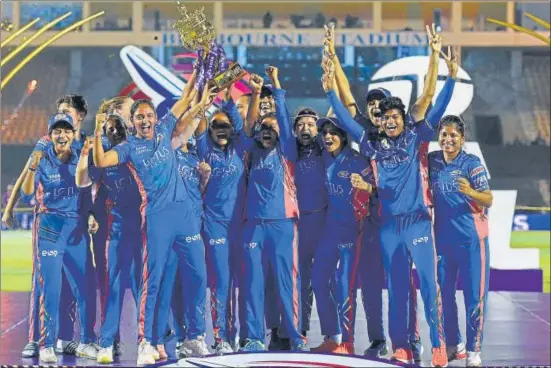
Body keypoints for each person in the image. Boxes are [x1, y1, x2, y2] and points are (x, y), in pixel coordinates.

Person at [324, 24, 456, 367]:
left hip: (417, 222)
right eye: (387, 118)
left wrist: (450, 75)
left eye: (396, 116)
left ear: (402, 119)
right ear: (381, 122)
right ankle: (400, 347)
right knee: (397, 290)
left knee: (428, 287)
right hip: (387, 226)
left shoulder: (417, 136)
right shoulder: (371, 143)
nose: (391, 121)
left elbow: (434, 104)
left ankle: (438, 346)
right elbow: (346, 117)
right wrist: (329, 94)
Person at [92, 85, 217, 365]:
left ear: (154, 118)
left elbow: (187, 103)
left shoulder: (165, 133)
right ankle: (146, 341)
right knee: (152, 282)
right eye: (139, 117)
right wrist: (96, 131)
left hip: (185, 218)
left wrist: (200, 75)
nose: (145, 120)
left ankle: (195, 337)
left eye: (149, 115)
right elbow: (100, 161)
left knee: (199, 276)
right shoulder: (127, 148)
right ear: (132, 122)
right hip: (156, 219)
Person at [7, 95, 91, 359]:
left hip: (76, 225)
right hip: (49, 222)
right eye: (59, 114)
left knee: (78, 285)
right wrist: (10, 207)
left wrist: (92, 215)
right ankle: (38, 339)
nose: (63, 119)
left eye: (67, 113)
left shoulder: (86, 146)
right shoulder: (44, 145)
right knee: (46, 284)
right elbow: (26, 178)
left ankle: (68, 338)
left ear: (80, 117)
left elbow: (93, 186)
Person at [239, 66, 306, 352]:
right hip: (253, 224)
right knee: (253, 283)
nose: (267, 131)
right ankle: (254, 337)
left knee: (286, 283)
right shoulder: (251, 148)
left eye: (273, 127)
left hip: (283, 224)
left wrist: (276, 83)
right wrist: (255, 93)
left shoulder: (287, 149)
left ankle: (295, 337)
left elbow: (282, 119)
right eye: (263, 128)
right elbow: (250, 125)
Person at [76, 113, 142, 364]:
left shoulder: (138, 150)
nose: (113, 132)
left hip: (145, 228)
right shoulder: (102, 159)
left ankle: (148, 338)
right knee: (115, 285)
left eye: (117, 128)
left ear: (127, 128)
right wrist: (93, 213)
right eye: (108, 129)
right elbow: (86, 183)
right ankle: (106, 342)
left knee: (143, 286)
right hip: (118, 229)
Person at [429, 115, 492, 368]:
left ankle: (475, 349)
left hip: (472, 241)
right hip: (443, 241)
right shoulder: (432, 160)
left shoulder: (471, 164)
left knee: (473, 298)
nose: (448, 139)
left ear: (462, 138)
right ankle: (456, 345)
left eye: (453, 135)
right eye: (444, 134)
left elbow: (488, 199)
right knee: (444, 295)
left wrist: (470, 192)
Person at [194, 86, 252, 354]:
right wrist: (207, 93)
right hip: (214, 225)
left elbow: (238, 122)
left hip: (241, 226)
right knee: (221, 282)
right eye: (215, 125)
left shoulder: (240, 147)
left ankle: (244, 336)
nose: (220, 129)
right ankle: (221, 338)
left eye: (225, 125)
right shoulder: (204, 146)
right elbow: (200, 120)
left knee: (244, 283)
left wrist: (229, 96)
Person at [310, 115, 374, 354]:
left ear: (344, 136)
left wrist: (365, 188)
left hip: (352, 231)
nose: (328, 136)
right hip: (330, 230)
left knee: (344, 285)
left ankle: (347, 342)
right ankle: (332, 336)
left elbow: (377, 194)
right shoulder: (324, 157)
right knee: (318, 281)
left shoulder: (358, 161)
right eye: (324, 132)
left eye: (333, 132)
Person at [292, 108, 327, 339]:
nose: (306, 128)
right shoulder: (288, 152)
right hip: (298, 225)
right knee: (301, 280)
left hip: (323, 222)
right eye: (301, 125)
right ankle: (300, 329)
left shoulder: (326, 150)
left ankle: (333, 335)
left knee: (324, 279)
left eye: (310, 125)